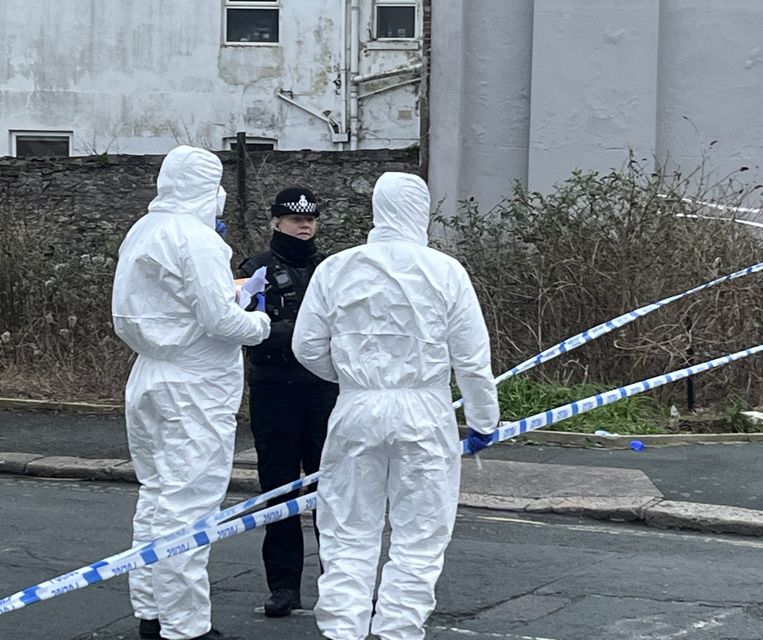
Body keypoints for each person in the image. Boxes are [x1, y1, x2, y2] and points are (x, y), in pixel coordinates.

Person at [292, 172, 500, 640]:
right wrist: (484, 421)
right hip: (425, 412)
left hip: (356, 410)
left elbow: (307, 346)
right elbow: (471, 360)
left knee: (347, 530)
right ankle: (398, 632)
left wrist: (350, 379)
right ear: (420, 213)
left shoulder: (337, 268)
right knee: (420, 534)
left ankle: (342, 631)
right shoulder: (445, 271)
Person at [111, 145, 271, 640]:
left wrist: (229, 295)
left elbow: (163, 306)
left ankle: (152, 612)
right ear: (206, 187)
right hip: (194, 386)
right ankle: (185, 627)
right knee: (191, 508)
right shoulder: (195, 238)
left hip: (150, 376)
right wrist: (260, 319)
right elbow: (221, 321)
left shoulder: (143, 230)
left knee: (157, 499)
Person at [236, 187, 339, 618]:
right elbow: (243, 326)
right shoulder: (254, 269)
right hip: (274, 388)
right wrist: (298, 333)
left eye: (310, 218)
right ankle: (283, 588)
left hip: (323, 389)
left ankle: (337, 586)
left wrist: (286, 330)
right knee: (278, 490)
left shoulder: (331, 269)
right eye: (295, 218)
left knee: (331, 491)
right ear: (276, 221)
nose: (304, 225)